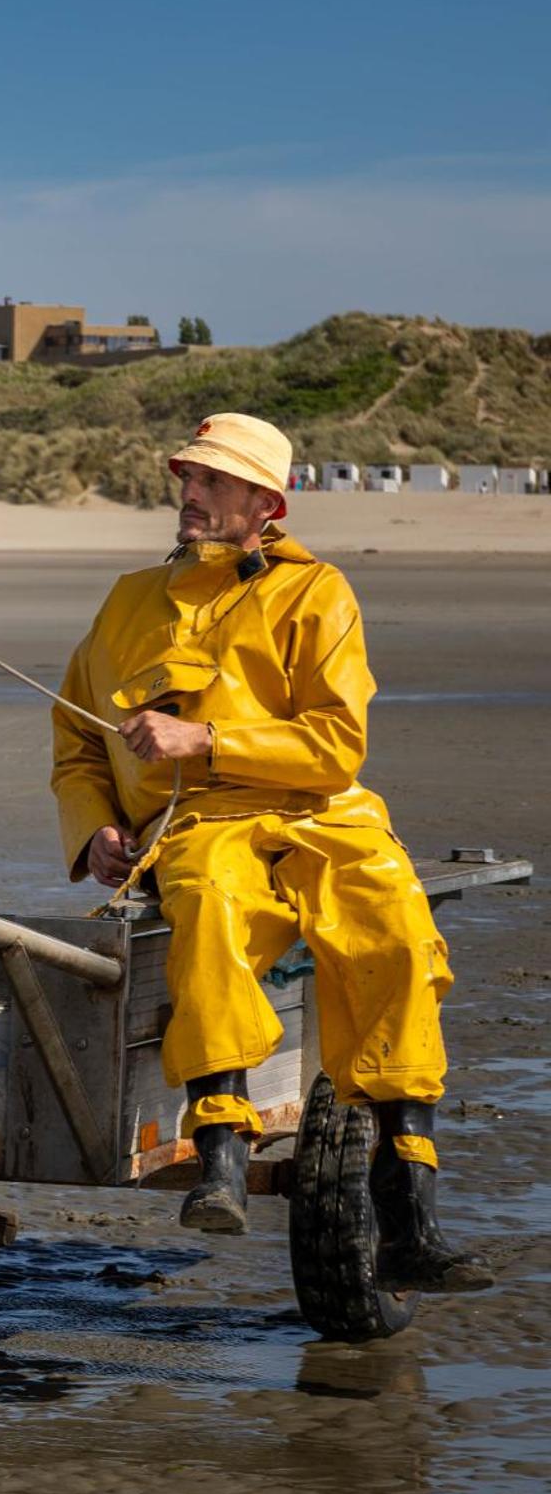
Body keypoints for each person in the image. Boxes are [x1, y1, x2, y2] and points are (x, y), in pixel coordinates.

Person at [50, 412, 491, 1291]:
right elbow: (76, 741)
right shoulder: (129, 599)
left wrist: (204, 739)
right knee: (208, 904)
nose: (191, 493)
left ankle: (411, 1213)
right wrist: (95, 828)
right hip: (199, 831)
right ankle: (219, 1156)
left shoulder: (317, 592)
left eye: (212, 482)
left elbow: (337, 747)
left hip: (326, 817)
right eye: (189, 478)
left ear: (266, 503)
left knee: (399, 938)